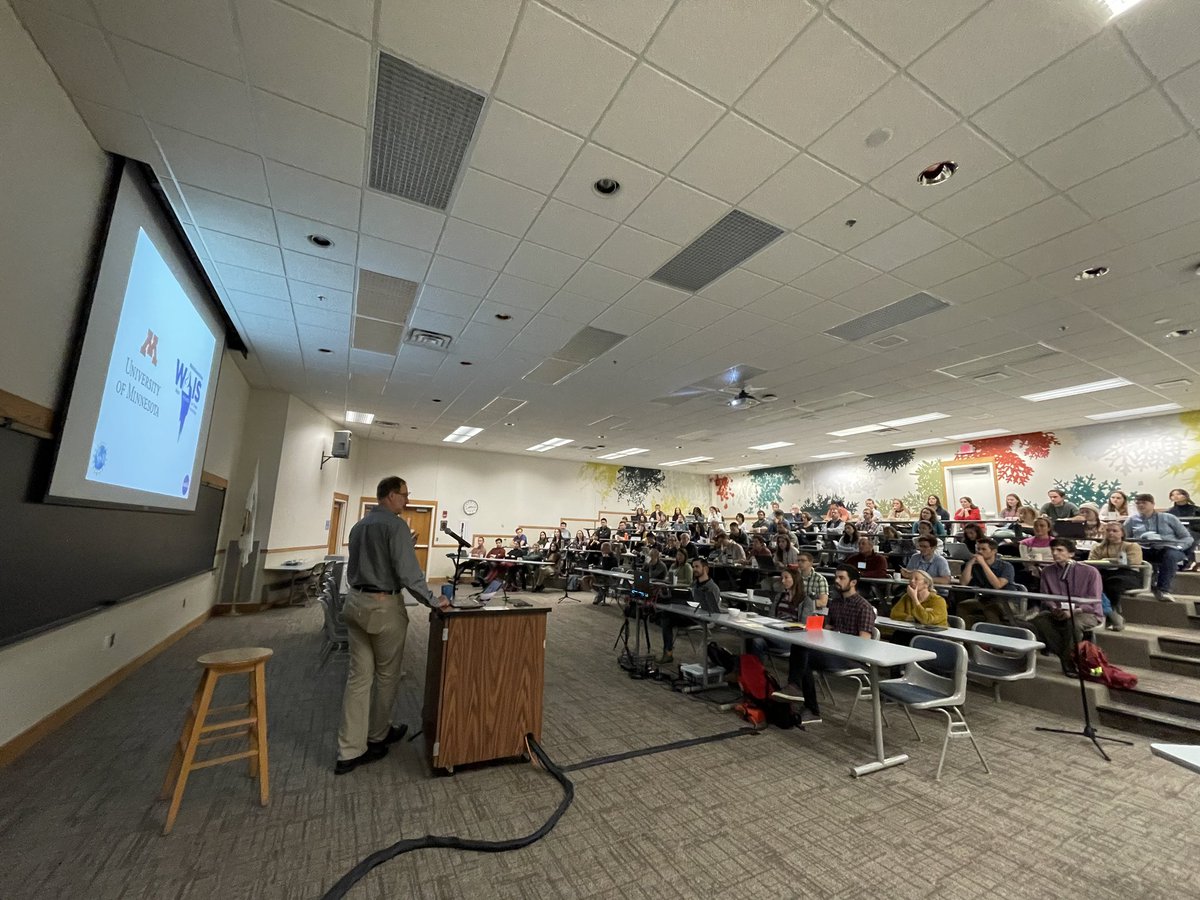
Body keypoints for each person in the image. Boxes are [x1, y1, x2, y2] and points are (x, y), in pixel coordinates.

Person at [336, 477, 450, 775]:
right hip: (382, 607)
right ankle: (377, 735)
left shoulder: (360, 525)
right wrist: (433, 601)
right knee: (387, 675)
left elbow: (368, 563)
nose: (407, 501)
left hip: (355, 604)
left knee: (358, 678)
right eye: (403, 495)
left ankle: (349, 750)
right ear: (389, 495)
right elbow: (408, 573)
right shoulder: (395, 526)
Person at [772, 566, 876, 725]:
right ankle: (798, 692)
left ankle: (804, 699)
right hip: (832, 650)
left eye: (842, 578)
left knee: (805, 656)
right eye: (836, 577)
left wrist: (837, 640)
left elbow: (863, 643)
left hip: (851, 657)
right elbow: (828, 629)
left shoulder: (864, 607)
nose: (836, 581)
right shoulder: (836, 603)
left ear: (853, 582)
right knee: (801, 647)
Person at [1028, 539, 1103, 675]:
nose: (1055, 553)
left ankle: (1068, 662)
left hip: (1086, 612)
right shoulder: (1047, 571)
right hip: (1058, 611)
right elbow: (1046, 596)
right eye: (1053, 550)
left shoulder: (1090, 572)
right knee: (1039, 620)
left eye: (1060, 550)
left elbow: (1094, 601)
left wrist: (1074, 611)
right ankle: (1065, 655)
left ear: (1071, 554)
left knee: (1072, 622)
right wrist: (1053, 608)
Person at [1124, 493, 1193, 601]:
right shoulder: (1131, 520)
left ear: (1152, 504)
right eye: (1138, 503)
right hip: (1143, 549)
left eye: (1144, 503)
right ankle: (1134, 585)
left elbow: (1187, 538)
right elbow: (1124, 539)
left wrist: (1179, 547)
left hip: (1169, 548)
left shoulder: (1169, 518)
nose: (1140, 505)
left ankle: (1163, 590)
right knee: (1129, 553)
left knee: (1170, 555)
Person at [659, 558, 725, 664]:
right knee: (666, 616)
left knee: (667, 617)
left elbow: (713, 611)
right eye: (693, 567)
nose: (694, 569)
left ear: (706, 569)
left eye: (697, 567)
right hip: (689, 614)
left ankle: (668, 652)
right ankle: (668, 652)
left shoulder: (713, 588)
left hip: (701, 619)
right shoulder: (694, 584)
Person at [1087, 521, 1143, 631]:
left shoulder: (1132, 546)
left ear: (1122, 533)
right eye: (1108, 531)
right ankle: (1112, 614)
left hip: (1128, 574)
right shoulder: (1098, 547)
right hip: (1104, 573)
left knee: (1112, 584)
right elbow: (1091, 562)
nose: (1111, 533)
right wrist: (1113, 562)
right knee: (1093, 584)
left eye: (1115, 531)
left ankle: (1108, 615)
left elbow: (1133, 562)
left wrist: (1105, 561)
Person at [956, 538, 1017, 628]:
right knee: (963, 606)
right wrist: (970, 564)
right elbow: (963, 583)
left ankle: (993, 637)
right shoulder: (976, 566)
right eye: (978, 549)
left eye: (983, 549)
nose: (979, 552)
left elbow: (997, 585)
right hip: (985, 599)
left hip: (1005, 600)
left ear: (994, 551)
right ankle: (967, 637)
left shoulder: (1006, 566)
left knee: (990, 610)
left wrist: (983, 564)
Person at [1167, 488, 1200, 570]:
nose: (1175, 496)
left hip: (1193, 531)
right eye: (1173, 495)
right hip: (1176, 533)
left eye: (1178, 494)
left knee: (1189, 537)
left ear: (1185, 496)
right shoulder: (1169, 512)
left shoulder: (1196, 510)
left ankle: (1188, 560)